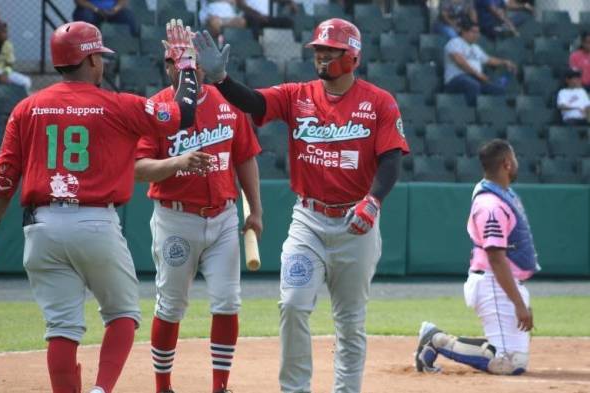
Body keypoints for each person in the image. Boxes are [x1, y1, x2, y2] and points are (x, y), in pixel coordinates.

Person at [193, 18, 410, 393]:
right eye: (319, 50)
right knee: (292, 304)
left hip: (356, 223)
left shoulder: (378, 102)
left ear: (353, 57)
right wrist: (222, 80)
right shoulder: (299, 94)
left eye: (331, 50)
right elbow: (257, 102)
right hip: (308, 219)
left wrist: (373, 201)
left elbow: (391, 158)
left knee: (350, 322)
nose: (322, 56)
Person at [0, 19, 205, 393]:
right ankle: (101, 389)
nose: (103, 63)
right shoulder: (118, 105)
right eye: (99, 57)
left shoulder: (26, 109)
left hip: (40, 228)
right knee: (122, 315)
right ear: (90, 60)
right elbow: (182, 114)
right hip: (95, 223)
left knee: (61, 329)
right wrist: (185, 65)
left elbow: (4, 181)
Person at [135, 41, 263, 393]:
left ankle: (220, 386)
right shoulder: (157, 108)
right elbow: (139, 168)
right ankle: (163, 387)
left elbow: (246, 156)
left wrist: (256, 210)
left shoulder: (228, 102)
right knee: (171, 305)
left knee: (227, 301)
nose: (186, 70)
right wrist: (176, 162)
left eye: (192, 62)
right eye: (178, 63)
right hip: (176, 218)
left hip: (223, 216)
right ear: (168, 67)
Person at [415, 139, 538, 376]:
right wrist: (519, 305)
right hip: (494, 282)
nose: (516, 163)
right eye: (514, 159)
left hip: (502, 283)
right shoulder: (491, 204)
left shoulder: (503, 195)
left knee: (515, 358)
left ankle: (441, 341)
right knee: (509, 363)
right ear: (507, 164)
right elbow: (496, 258)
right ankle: (436, 340)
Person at [444, 20, 517, 106]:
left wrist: (505, 62)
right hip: (456, 79)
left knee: (498, 90)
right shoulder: (455, 42)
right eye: (473, 32)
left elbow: (488, 60)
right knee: (472, 85)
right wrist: (478, 74)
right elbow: (460, 61)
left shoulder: (476, 48)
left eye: (478, 33)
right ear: (464, 31)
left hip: (475, 79)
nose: (477, 35)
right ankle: (471, 114)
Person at [0, 20, 32, 92]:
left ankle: (21, 102)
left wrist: (5, 74)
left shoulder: (8, 45)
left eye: (6, 32)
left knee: (26, 81)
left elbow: (9, 64)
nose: (6, 34)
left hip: (3, 72)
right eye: (2, 32)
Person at [73, 0, 139, 36]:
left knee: (128, 16)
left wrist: (116, 9)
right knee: (84, 15)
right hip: (92, 11)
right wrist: (96, 9)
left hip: (112, 11)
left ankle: (135, 43)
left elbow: (123, 1)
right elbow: (79, 1)